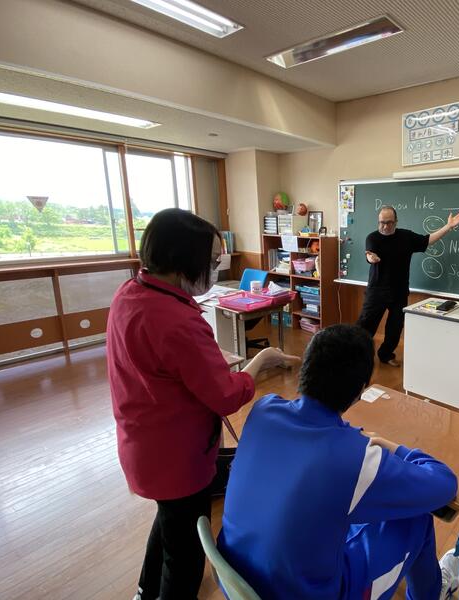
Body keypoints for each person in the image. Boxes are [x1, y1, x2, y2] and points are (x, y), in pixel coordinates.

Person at [106, 208, 300, 600]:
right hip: (177, 458)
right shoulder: (176, 320)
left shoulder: (130, 293)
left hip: (143, 444)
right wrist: (261, 362)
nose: (215, 270)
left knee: (169, 521)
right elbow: (225, 396)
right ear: (183, 259)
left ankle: (145, 590)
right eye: (211, 263)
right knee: (186, 556)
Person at [217, 324, 459, 600]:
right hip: (307, 594)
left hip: (238, 577)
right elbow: (445, 484)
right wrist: (394, 448)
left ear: (305, 369)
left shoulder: (263, 410)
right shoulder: (355, 459)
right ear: (360, 391)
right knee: (417, 519)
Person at [356, 206, 459, 366]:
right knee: (365, 326)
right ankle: (356, 356)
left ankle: (386, 355)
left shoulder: (406, 237)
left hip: (399, 292)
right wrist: (371, 258)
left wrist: (448, 226)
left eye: (389, 222)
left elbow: (428, 240)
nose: (385, 226)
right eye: (381, 222)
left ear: (396, 221)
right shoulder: (373, 237)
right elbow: (369, 254)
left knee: (395, 328)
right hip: (376, 292)